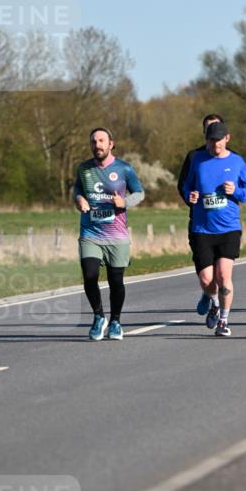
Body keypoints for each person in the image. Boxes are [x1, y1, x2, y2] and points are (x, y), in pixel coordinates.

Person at [182, 121, 246, 336]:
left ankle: (224, 320)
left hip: (228, 228)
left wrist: (236, 192)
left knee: (223, 276)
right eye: (212, 140)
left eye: (219, 140)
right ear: (207, 140)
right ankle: (213, 302)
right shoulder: (198, 161)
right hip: (202, 228)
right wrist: (190, 196)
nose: (216, 145)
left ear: (227, 139)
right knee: (206, 279)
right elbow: (187, 185)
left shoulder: (237, 161)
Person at [73, 127, 145, 340]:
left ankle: (115, 321)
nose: (98, 145)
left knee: (116, 281)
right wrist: (79, 199)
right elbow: (77, 189)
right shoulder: (84, 169)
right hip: (90, 232)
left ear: (111, 144)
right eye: (94, 142)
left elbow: (139, 193)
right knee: (90, 275)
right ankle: (98, 316)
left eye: (102, 141)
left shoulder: (124, 168)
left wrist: (125, 202)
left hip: (116, 234)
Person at [177, 113, 226, 315]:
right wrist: (190, 196)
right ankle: (210, 294)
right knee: (204, 266)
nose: (213, 133)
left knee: (220, 268)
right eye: (208, 129)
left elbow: (244, 188)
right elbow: (182, 185)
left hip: (223, 224)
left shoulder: (232, 157)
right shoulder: (193, 157)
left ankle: (213, 298)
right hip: (199, 222)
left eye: (216, 128)